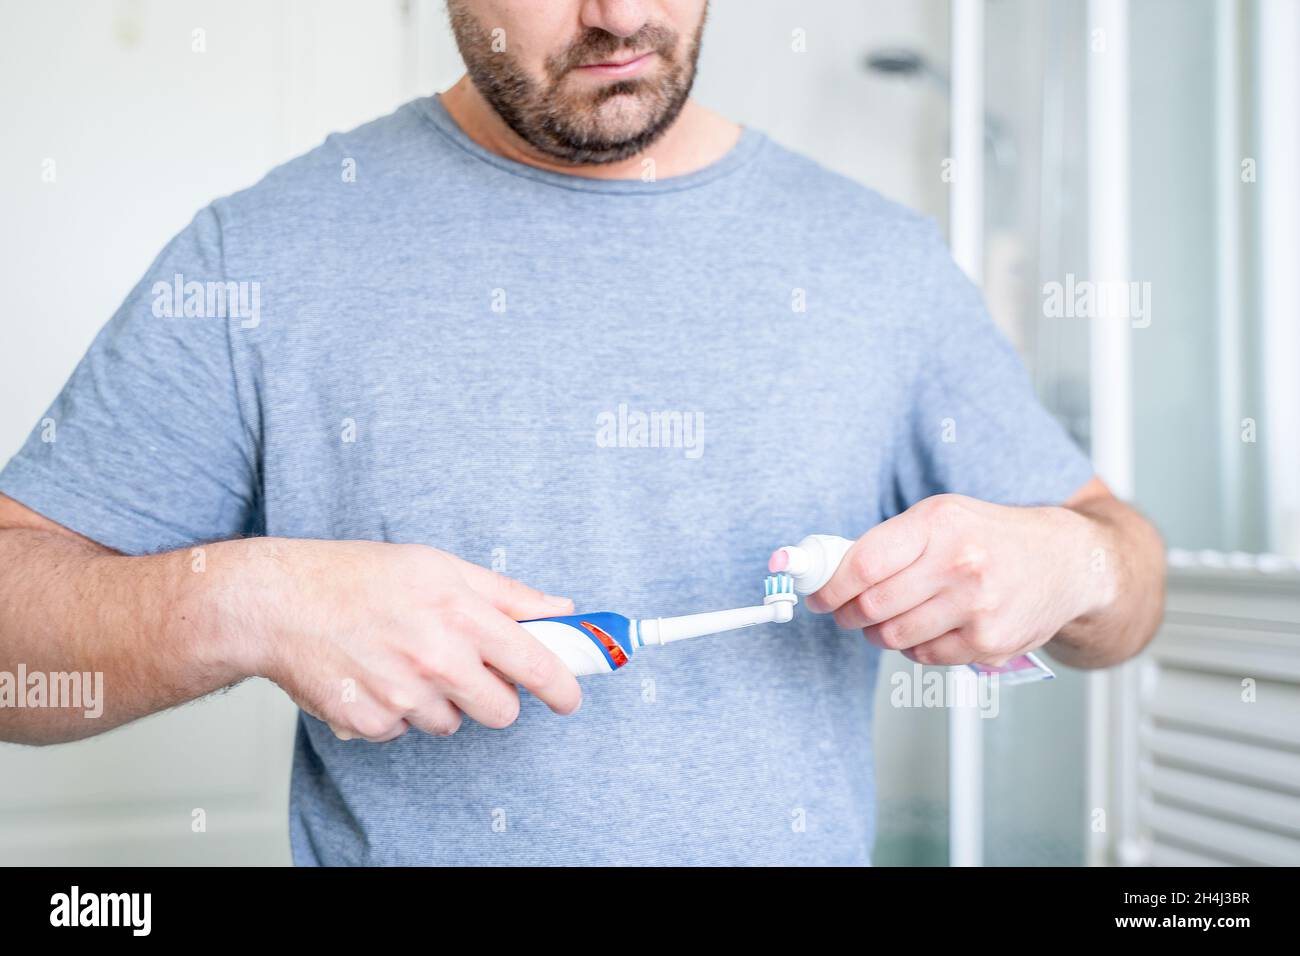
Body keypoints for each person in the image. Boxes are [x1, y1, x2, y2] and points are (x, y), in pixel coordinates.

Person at [0, 0, 1164, 865]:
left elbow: (1127, 583)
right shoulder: (264, 253)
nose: (618, 15)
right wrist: (244, 600)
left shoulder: (879, 264)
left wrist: (1073, 562)